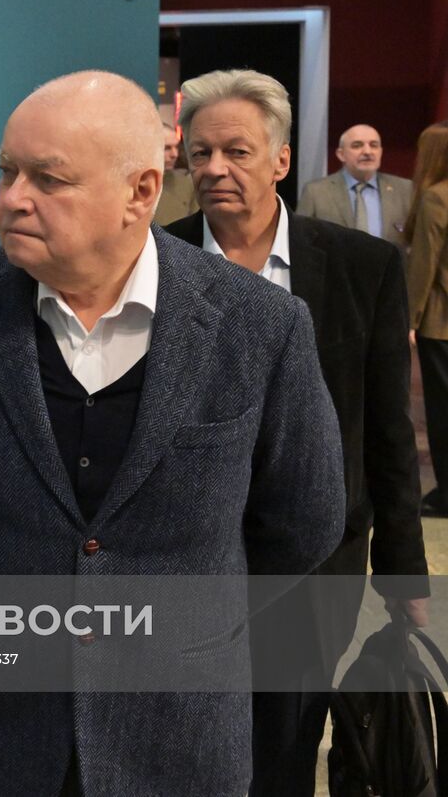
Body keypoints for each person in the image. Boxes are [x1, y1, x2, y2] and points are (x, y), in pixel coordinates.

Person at [0, 70, 344, 796]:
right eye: (7, 171)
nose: (12, 199)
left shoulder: (259, 324)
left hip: (179, 730)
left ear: (140, 191)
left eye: (48, 178)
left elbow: (304, 519)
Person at [163, 69, 429, 796]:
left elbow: (385, 430)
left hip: (315, 560)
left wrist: (404, 567)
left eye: (237, 152)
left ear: (281, 161)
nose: (216, 168)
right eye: (201, 153)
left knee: (286, 737)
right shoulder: (155, 263)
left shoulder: (359, 267)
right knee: (187, 739)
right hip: (186, 556)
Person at [406, 123, 448, 515]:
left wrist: (409, 317)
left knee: (441, 410)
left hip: (440, 321)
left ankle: (445, 491)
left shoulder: (437, 197)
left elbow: (424, 265)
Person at [300, 124, 412, 250]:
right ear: (341, 154)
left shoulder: (405, 189)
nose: (367, 152)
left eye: (374, 145)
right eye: (357, 145)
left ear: (381, 152)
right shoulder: (316, 192)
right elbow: (301, 240)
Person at [153, 121, 197, 225]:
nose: (175, 154)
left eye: (176, 147)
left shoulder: (187, 185)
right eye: (167, 148)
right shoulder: (132, 186)